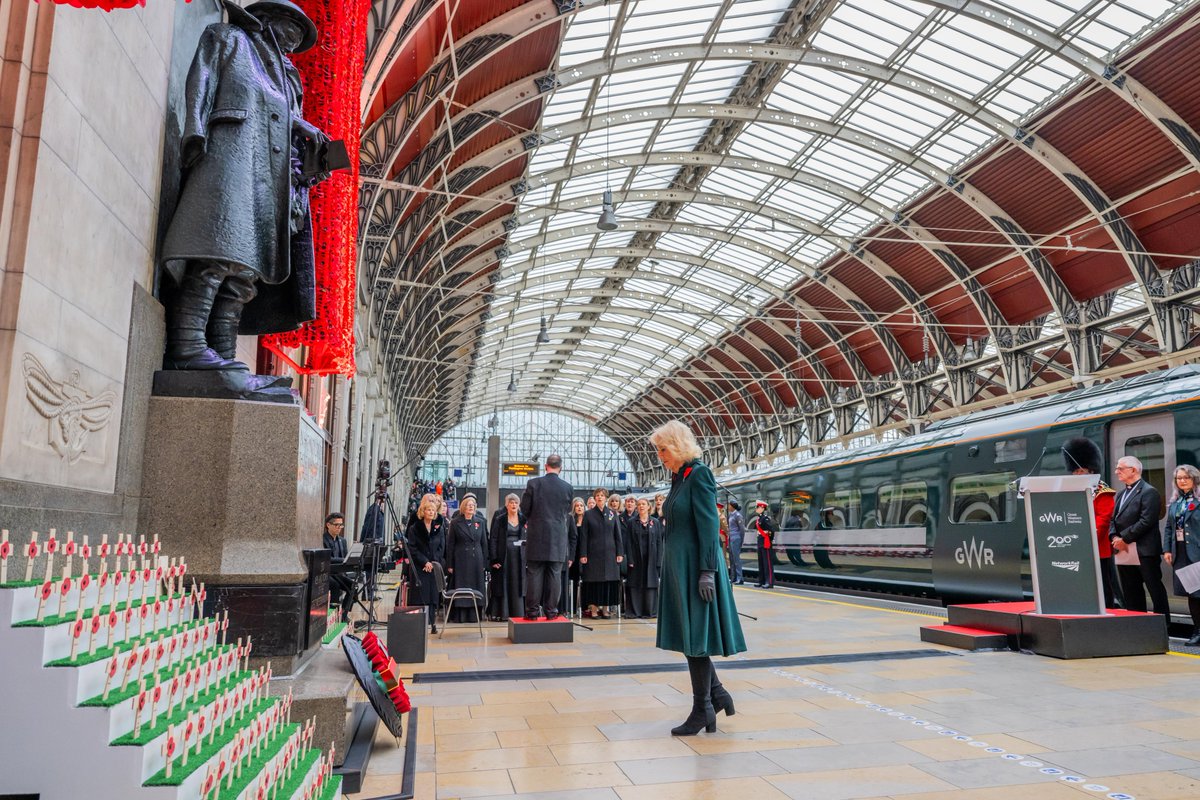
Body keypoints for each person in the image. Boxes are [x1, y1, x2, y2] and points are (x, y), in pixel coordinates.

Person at [159, 0, 331, 371]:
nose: (293, 42)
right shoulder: (231, 39)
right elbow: (203, 80)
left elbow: (285, 126)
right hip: (234, 158)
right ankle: (187, 345)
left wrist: (310, 162)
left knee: (246, 273)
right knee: (218, 253)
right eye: (292, 31)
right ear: (268, 20)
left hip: (271, 180)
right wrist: (194, 134)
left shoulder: (289, 78)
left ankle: (222, 356)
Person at [650, 420, 746, 736]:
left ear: (678, 446)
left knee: (695, 638)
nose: (660, 456)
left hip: (695, 569)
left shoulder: (699, 474)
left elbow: (708, 526)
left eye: (663, 449)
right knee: (691, 637)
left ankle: (703, 707)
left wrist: (707, 571)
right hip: (681, 568)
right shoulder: (680, 478)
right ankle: (715, 696)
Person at [1062, 437, 1118, 608]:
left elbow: (1103, 518)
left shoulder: (1102, 490)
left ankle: (1106, 608)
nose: (1078, 475)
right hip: (1076, 543)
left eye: (1081, 471)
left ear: (1091, 470)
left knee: (1102, 582)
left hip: (1096, 544)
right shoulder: (1072, 490)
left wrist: (1089, 538)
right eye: (1076, 471)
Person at [1110, 456, 1169, 617]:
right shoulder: (1121, 494)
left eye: (1120, 468)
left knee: (1154, 588)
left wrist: (1124, 539)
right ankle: (1136, 622)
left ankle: (1163, 623)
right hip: (1123, 550)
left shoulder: (1149, 492)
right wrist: (1114, 537)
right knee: (1131, 590)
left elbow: (1147, 521)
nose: (1116, 472)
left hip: (1144, 550)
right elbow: (1113, 519)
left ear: (1133, 470)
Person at [519, 454, 575, 620]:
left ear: (545, 466)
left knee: (534, 575)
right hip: (557, 539)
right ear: (561, 468)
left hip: (537, 537)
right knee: (554, 575)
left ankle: (532, 613)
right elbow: (566, 511)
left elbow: (525, 509)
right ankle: (551, 612)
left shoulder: (533, 484)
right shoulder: (567, 487)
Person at [1163, 465, 1200, 645]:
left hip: (1197, 552)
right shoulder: (1176, 503)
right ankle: (1198, 631)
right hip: (1182, 553)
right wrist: (1167, 550)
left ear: (1195, 479)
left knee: (1198, 594)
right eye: (1179, 478)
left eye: (1186, 477)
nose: (1182, 481)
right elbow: (1169, 528)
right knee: (1193, 594)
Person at [580, 488, 624, 618]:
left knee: (608, 582)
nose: (600, 497)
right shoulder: (588, 514)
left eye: (602, 495)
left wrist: (619, 552)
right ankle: (594, 610)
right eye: (597, 495)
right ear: (594, 498)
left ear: (606, 498)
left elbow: (618, 535)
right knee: (594, 582)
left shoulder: (612, 513)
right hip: (593, 553)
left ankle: (605, 609)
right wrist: (583, 554)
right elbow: (584, 536)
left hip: (610, 553)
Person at [405, 493, 446, 633]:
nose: (431, 512)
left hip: (433, 567)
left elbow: (441, 547)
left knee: (432, 595)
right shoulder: (414, 528)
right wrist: (425, 562)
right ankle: (418, 624)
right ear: (423, 511)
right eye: (428, 510)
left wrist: (433, 562)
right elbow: (413, 548)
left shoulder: (438, 528)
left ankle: (432, 623)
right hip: (420, 567)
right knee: (420, 594)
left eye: (433, 510)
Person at [445, 494, 487, 623]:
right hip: (461, 559)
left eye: (473, 505)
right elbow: (450, 544)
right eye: (469, 505)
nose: (471, 507)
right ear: (463, 507)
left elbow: (484, 543)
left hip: (477, 559)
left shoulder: (480, 522)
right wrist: (450, 564)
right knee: (461, 586)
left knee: (476, 586)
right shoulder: (455, 522)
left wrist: (485, 563)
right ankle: (460, 615)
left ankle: (475, 615)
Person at [487, 493, 526, 621]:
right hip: (504, 556)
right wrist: (494, 559)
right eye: (511, 502)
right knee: (503, 583)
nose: (513, 505)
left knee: (517, 582)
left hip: (519, 557)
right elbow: (493, 539)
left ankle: (518, 612)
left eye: (516, 503)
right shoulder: (500, 519)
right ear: (506, 505)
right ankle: (503, 612)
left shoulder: (524, 519)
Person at [626, 498, 663, 618]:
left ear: (648, 506)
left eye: (643, 504)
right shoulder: (631, 522)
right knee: (636, 583)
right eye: (639, 504)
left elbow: (659, 542)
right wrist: (630, 559)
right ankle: (635, 611)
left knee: (650, 583)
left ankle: (650, 611)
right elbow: (628, 542)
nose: (641, 506)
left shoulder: (655, 522)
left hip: (651, 558)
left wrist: (659, 560)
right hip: (636, 558)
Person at [322, 512, 354, 623]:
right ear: (328, 525)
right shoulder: (322, 539)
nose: (339, 527)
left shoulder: (342, 541)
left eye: (341, 525)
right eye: (336, 525)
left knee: (353, 586)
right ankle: (333, 616)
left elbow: (346, 558)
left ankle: (344, 613)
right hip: (327, 573)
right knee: (335, 586)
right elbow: (327, 558)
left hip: (339, 573)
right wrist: (343, 560)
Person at [568, 496, 587, 616]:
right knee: (574, 580)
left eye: (581, 505)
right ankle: (573, 607)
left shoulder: (588, 520)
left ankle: (585, 607)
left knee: (585, 580)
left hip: (585, 553)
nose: (579, 508)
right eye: (577, 506)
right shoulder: (571, 520)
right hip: (574, 553)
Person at [752, 500, 777, 588]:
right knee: (761, 563)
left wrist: (769, 540)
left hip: (766, 542)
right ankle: (761, 581)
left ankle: (769, 582)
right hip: (760, 542)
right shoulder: (759, 518)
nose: (756, 509)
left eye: (757, 507)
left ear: (762, 508)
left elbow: (771, 531)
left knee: (767, 563)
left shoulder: (765, 519)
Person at [726, 501, 745, 584]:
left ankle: (740, 578)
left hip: (736, 538)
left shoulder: (737, 515)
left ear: (732, 506)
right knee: (732, 559)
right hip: (731, 538)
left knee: (736, 559)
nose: (728, 507)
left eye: (729, 505)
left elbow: (742, 529)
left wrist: (741, 540)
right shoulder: (731, 515)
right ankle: (733, 577)